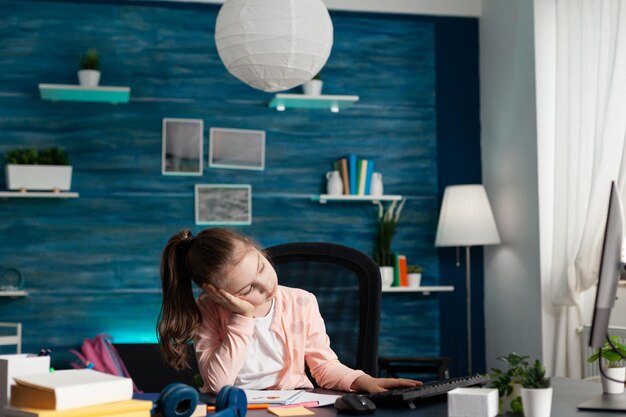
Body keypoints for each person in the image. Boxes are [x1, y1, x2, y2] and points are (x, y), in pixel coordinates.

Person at [157, 227, 421, 394]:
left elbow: (325, 367)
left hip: (293, 404)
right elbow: (218, 384)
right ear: (216, 292)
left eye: (261, 267)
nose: (266, 285)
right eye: (248, 289)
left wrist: (362, 381)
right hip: (234, 407)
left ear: (257, 250)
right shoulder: (209, 310)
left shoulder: (301, 302)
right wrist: (242, 316)